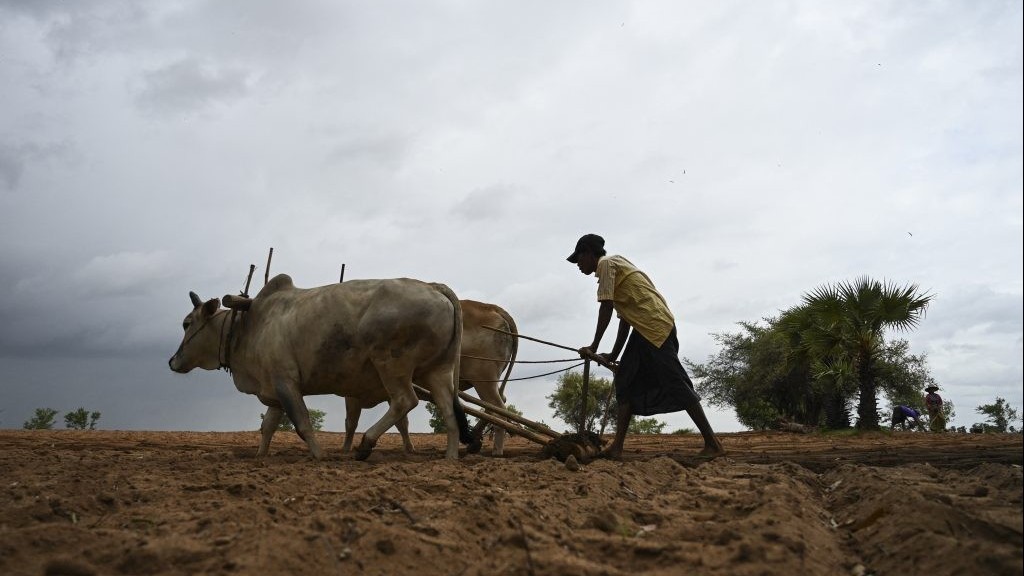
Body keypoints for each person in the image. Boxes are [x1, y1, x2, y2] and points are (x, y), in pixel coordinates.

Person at [567, 233, 725, 459]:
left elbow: (607, 308)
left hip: (655, 328)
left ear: (589, 254)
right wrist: (613, 354)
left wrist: (593, 345)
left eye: (579, 259)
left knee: (676, 382)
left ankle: (713, 444)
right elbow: (625, 320)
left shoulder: (605, 265)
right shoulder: (616, 264)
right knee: (625, 381)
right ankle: (617, 449)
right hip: (645, 329)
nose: (578, 265)